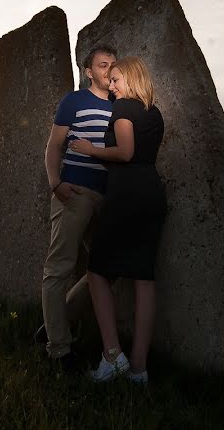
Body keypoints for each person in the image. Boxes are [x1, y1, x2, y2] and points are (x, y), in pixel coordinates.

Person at [68, 56, 166, 384]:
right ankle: (140, 369)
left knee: (97, 272)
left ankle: (112, 356)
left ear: (132, 78)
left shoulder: (123, 108)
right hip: (152, 195)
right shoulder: (155, 114)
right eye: (110, 81)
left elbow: (125, 152)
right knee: (144, 279)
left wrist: (88, 149)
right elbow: (142, 154)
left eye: (116, 79)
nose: (112, 86)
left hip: (126, 197)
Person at [40, 45, 118, 371]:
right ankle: (59, 348)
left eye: (113, 65)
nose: (109, 70)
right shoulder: (74, 101)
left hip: (106, 197)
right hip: (74, 193)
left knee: (108, 268)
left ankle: (55, 323)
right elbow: (54, 145)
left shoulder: (119, 104)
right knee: (58, 268)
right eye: (102, 65)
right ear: (89, 71)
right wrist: (55, 184)